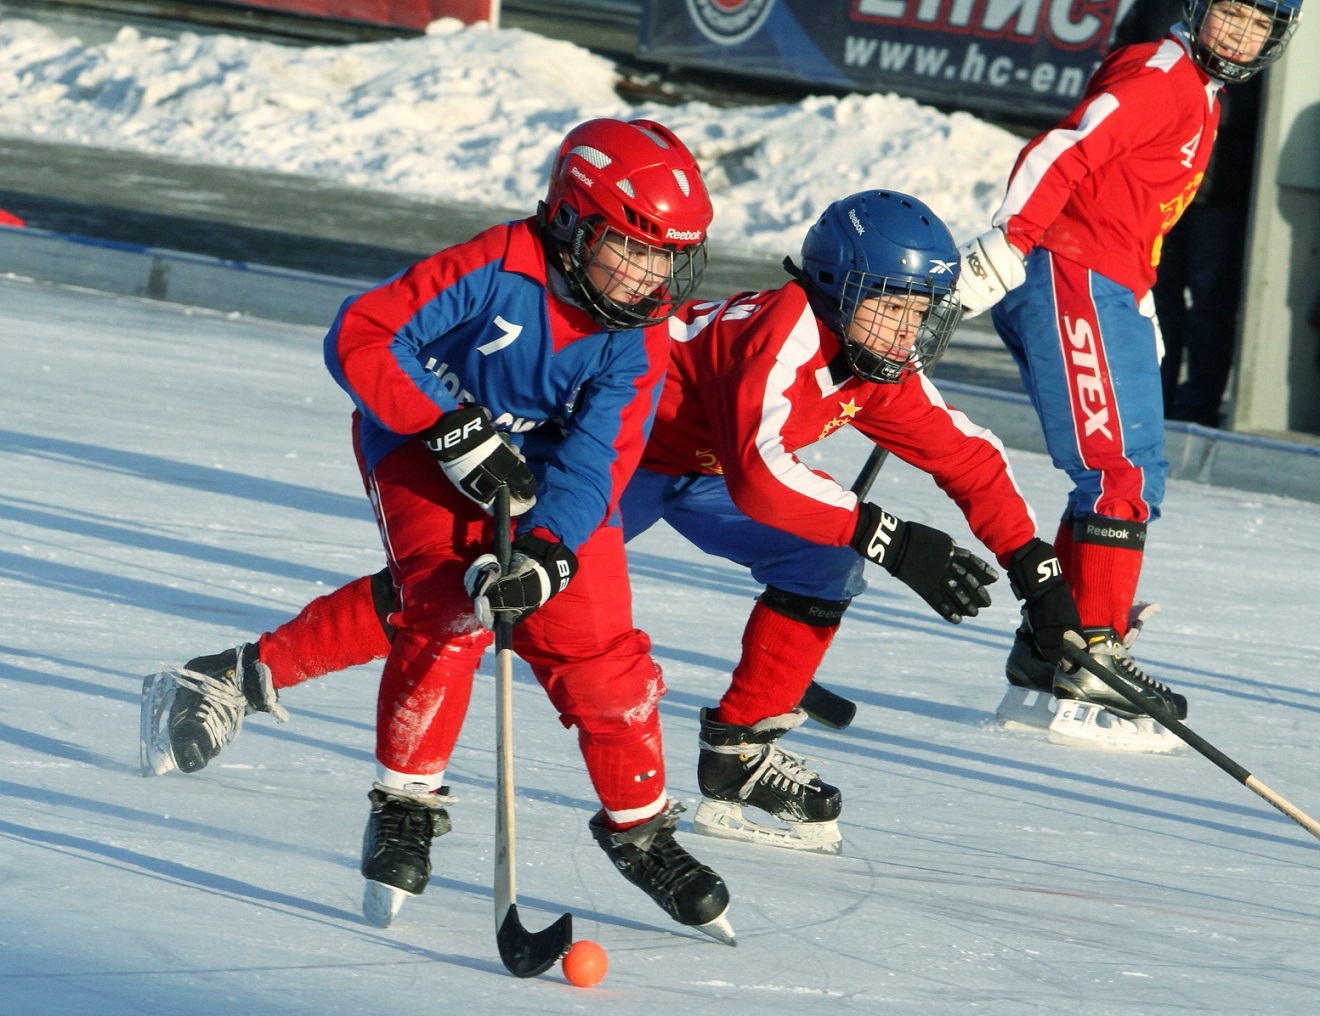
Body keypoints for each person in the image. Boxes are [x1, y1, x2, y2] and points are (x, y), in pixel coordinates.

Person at [144, 189, 1085, 853]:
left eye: (919, 316)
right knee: (478, 591)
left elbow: (968, 456)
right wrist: (890, 533)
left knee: (821, 570)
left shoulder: (874, 360)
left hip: (703, 470)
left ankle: (740, 748)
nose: (905, 336)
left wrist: (1038, 574)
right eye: (888, 311)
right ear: (838, 292)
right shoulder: (784, 331)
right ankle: (247, 672)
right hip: (619, 455)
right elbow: (765, 478)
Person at [145, 116, 737, 943]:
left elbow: (598, 465)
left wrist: (547, 556)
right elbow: (361, 335)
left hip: (542, 471)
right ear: (570, 221)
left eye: (667, 257)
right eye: (631, 249)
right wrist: (449, 428)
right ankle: (404, 803)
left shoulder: (636, 340)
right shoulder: (496, 266)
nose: (650, 278)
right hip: (417, 436)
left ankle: (638, 828)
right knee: (449, 606)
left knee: (601, 653)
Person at [955, 0, 1302, 733]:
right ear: (1200, 9)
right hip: (1072, 268)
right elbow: (1064, 149)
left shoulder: (1204, 95)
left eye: (1257, 25)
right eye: (1231, 14)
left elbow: (1136, 201)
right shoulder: (1161, 74)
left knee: (1139, 469)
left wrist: (1140, 293)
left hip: (1113, 281)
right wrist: (1009, 241)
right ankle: (1091, 654)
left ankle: (1057, 642)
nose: (1239, 35)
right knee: (1114, 471)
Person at [1115, 0, 1265, 427]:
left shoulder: (1257, 14)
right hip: (1160, 179)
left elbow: (1264, 100)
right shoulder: (1160, 6)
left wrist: (1202, 104)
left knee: (1211, 300)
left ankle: (1199, 406)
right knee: (1153, 293)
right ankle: (1152, 398)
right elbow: (1123, 61)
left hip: (1222, 187)